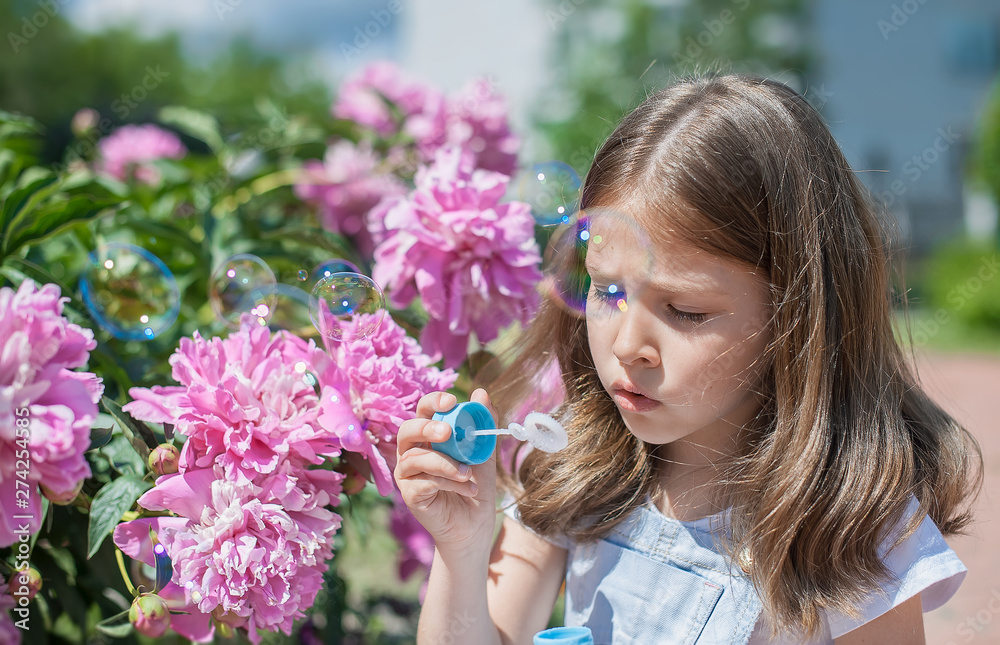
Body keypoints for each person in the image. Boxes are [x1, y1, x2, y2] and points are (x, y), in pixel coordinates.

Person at [393, 74, 983, 644]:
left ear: (798, 319)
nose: (628, 345)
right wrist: (462, 550)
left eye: (685, 311)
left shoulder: (850, 527)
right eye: (608, 292)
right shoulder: (577, 470)